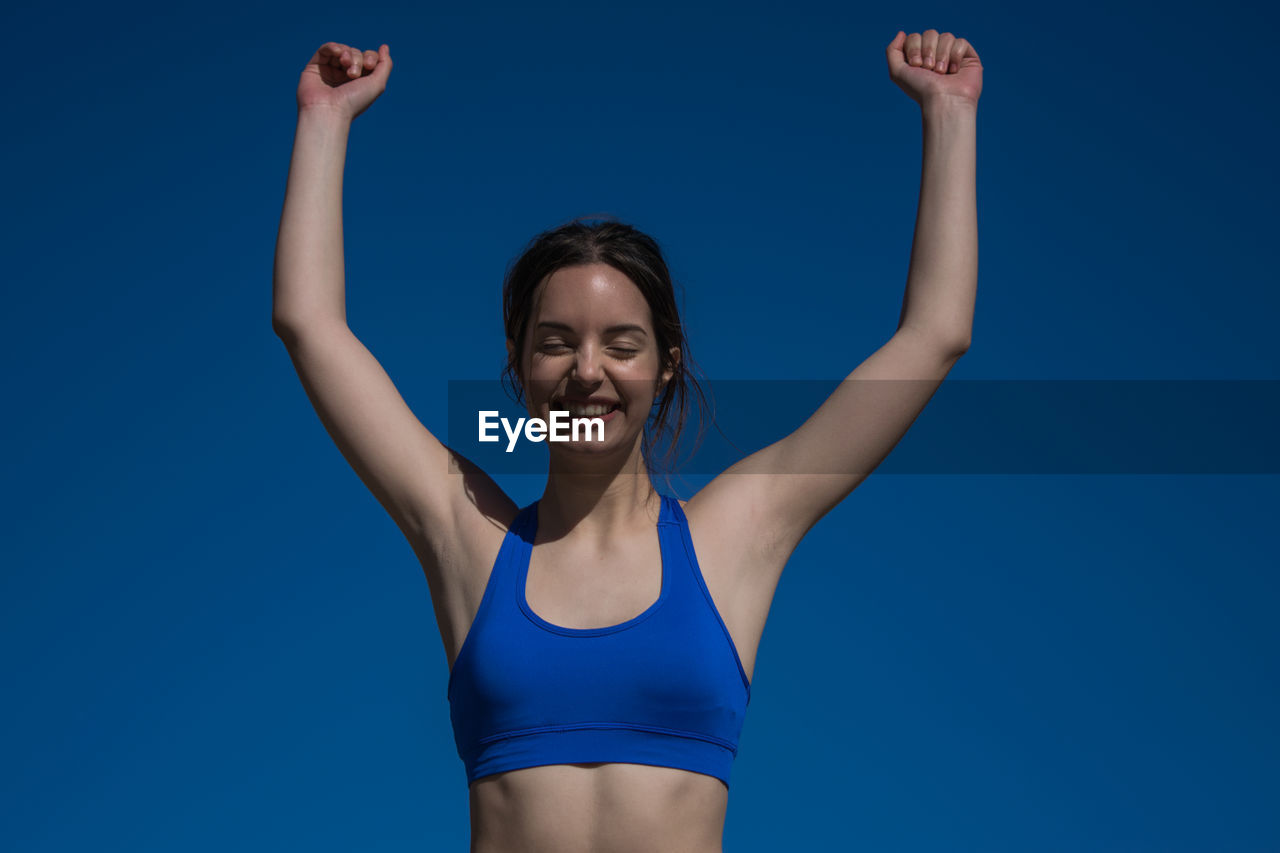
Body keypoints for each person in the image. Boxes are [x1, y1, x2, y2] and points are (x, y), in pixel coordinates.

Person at [273, 30, 982, 853]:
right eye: (555, 341)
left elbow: (934, 335)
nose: (586, 370)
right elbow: (310, 324)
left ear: (666, 365)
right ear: (518, 366)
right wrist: (323, 120)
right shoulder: (469, 534)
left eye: (621, 343)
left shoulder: (737, 532)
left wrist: (949, 113)